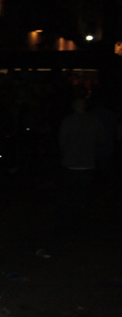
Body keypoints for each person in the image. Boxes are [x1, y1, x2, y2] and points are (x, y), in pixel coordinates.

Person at [57, 97, 105, 229]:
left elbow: (62, 141)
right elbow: (102, 140)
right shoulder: (93, 121)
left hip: (70, 163)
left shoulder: (68, 120)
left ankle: (69, 222)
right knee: (83, 194)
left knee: (69, 194)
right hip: (87, 162)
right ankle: (82, 221)